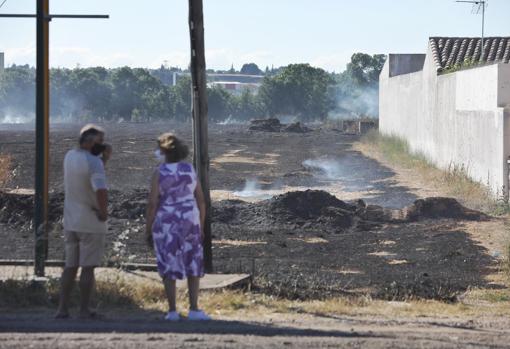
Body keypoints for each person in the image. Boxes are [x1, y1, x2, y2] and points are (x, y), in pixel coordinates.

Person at [146, 133, 210, 321]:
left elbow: (152, 203)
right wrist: (202, 226)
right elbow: (201, 200)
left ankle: (172, 310)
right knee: (193, 263)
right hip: (190, 221)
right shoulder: (189, 169)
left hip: (166, 223)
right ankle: (194, 308)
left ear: (163, 151)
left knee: (168, 262)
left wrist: (148, 227)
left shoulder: (160, 172)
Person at [55, 124, 111, 319]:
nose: (102, 145)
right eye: (100, 141)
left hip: (71, 220)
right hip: (91, 220)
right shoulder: (93, 162)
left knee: (70, 266)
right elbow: (100, 190)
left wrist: (103, 159)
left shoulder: (70, 156)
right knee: (88, 267)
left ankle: (62, 308)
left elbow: (85, 176)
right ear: (90, 141)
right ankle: (84, 309)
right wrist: (104, 212)